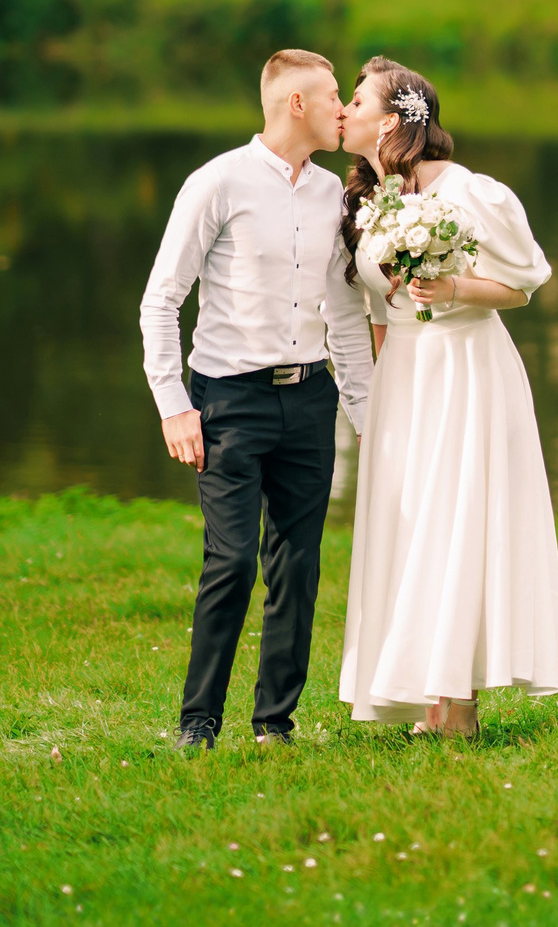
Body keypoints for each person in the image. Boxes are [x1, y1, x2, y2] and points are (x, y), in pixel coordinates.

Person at [140, 47, 371, 750]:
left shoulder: (335, 194)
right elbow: (161, 300)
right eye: (334, 95)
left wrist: (368, 417)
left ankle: (275, 721)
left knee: (298, 565)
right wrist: (173, 404)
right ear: (294, 103)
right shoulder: (217, 183)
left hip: (310, 399)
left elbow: (346, 315)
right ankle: (198, 720)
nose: (344, 108)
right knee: (233, 559)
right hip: (227, 401)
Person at [336, 57, 558, 736]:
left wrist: (456, 289)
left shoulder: (467, 192)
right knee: (411, 522)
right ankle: (418, 687)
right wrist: (378, 396)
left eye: (356, 100)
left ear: (390, 120)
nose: (345, 110)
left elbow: (525, 281)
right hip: (404, 378)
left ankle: (458, 702)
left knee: (457, 518)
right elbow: (377, 311)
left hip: (464, 367)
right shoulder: (364, 198)